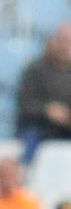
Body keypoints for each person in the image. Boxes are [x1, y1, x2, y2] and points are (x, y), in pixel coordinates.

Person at [15, 22, 71, 166]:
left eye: (69, 40)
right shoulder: (35, 69)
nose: (65, 45)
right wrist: (47, 110)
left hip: (66, 127)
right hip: (39, 126)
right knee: (31, 139)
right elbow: (24, 103)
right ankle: (24, 176)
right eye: (61, 39)